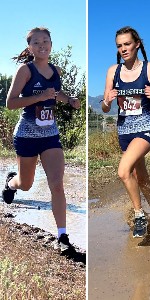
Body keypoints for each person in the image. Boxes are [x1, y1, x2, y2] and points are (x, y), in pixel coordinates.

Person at [2, 27, 80, 255]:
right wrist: (38, 97)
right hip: (26, 135)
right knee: (25, 184)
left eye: (46, 41)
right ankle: (10, 184)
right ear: (30, 48)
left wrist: (69, 100)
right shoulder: (25, 71)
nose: (42, 45)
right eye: (36, 42)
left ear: (51, 44)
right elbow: (11, 103)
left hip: (50, 136)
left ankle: (63, 236)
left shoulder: (56, 71)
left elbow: (56, 94)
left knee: (56, 184)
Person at [101, 26, 150, 238]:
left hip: (145, 127)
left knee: (123, 171)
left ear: (137, 44)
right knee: (140, 177)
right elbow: (105, 107)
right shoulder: (112, 71)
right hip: (124, 129)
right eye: (119, 46)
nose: (123, 49)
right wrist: (107, 101)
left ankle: (139, 214)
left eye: (127, 44)